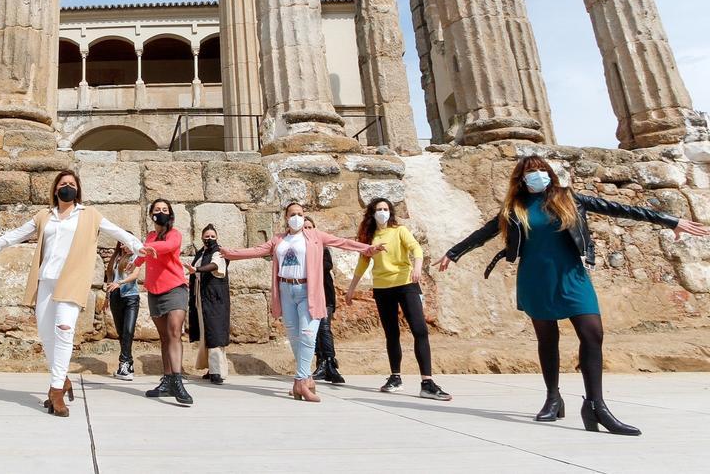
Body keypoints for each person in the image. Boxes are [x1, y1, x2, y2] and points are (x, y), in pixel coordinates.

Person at [437, 155, 709, 436]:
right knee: (547, 339)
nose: (537, 175)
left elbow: (620, 208)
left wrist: (669, 220)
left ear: (550, 174)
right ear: (520, 179)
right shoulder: (514, 208)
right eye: (530, 172)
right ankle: (553, 398)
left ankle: (596, 406)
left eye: (541, 170)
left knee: (593, 334)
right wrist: (453, 253)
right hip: (535, 278)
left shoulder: (569, 198)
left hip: (572, 276)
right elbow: (483, 233)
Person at [0, 170, 144, 418]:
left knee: (64, 330)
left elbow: (117, 232)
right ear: (55, 189)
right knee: (46, 334)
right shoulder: (44, 216)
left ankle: (55, 390)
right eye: (63, 183)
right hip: (46, 281)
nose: (67, 187)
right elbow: (19, 233)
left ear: (78, 190)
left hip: (71, 280)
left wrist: (139, 247)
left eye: (72, 184)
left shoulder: (89, 215)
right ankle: (62, 379)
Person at [221, 202, 382, 402]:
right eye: (292, 214)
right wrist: (229, 254)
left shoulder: (315, 236)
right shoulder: (279, 239)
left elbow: (341, 242)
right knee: (295, 338)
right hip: (286, 291)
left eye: (300, 214)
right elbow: (256, 250)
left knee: (307, 335)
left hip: (308, 290)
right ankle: (308, 380)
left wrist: (367, 249)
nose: (296, 217)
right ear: (286, 217)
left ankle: (300, 382)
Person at [345, 198, 451, 401]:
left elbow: (416, 249)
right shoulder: (368, 237)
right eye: (379, 209)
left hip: (406, 285)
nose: (383, 212)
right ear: (372, 213)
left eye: (386, 209)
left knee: (420, 330)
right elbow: (361, 265)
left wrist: (418, 267)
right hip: (383, 289)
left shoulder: (400, 231)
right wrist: (351, 289)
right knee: (391, 333)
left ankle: (427, 382)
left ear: (390, 212)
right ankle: (395, 377)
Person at [136, 198, 192, 405]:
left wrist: (144, 247)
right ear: (151, 214)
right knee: (164, 337)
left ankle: (178, 380)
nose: (161, 212)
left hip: (175, 288)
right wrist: (131, 261)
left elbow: (168, 247)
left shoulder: (174, 234)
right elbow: (141, 257)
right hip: (155, 290)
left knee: (175, 331)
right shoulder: (150, 236)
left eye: (164, 209)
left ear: (170, 214)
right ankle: (167, 380)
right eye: (157, 209)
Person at [185, 224, 230, 385]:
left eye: (212, 236)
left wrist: (197, 269)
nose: (209, 239)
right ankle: (211, 368)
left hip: (215, 299)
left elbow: (215, 266)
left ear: (216, 238)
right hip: (202, 298)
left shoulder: (218, 252)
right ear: (202, 237)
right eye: (207, 236)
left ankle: (218, 372)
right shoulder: (201, 252)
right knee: (206, 333)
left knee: (215, 333)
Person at [103, 241, 141, 381]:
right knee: (121, 332)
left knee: (129, 330)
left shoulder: (135, 257)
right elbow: (110, 279)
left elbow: (135, 275)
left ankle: (123, 364)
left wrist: (119, 283)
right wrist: (107, 297)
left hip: (131, 297)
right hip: (115, 297)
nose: (124, 247)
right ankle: (128, 364)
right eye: (122, 244)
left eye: (126, 244)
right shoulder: (115, 259)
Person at [312, 245, 345, 385]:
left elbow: (326, 266)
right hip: (309, 297)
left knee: (324, 328)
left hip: (325, 296)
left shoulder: (322, 249)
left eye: (310, 227)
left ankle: (330, 362)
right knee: (314, 332)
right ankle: (321, 362)